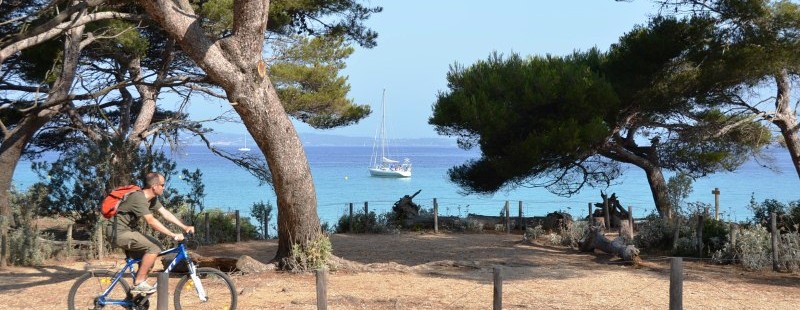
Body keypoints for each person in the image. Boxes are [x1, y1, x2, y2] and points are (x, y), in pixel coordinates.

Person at [106, 172, 194, 295]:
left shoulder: (151, 199)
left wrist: (184, 227)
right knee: (154, 247)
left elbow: (165, 213)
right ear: (154, 186)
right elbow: (151, 221)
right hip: (119, 232)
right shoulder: (138, 198)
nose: (164, 187)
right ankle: (139, 282)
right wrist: (173, 235)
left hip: (128, 231)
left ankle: (136, 297)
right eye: (162, 185)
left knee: (154, 249)